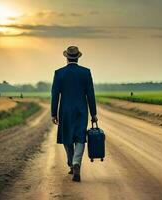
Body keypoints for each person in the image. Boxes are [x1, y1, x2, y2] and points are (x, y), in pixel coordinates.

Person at [51, 46, 98, 182]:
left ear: (66, 57)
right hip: (81, 110)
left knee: (67, 137)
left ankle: (72, 162)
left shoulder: (59, 73)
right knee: (80, 137)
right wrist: (93, 113)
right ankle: (76, 162)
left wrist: (54, 113)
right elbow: (90, 94)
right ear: (78, 57)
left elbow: (55, 95)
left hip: (65, 110)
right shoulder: (86, 72)